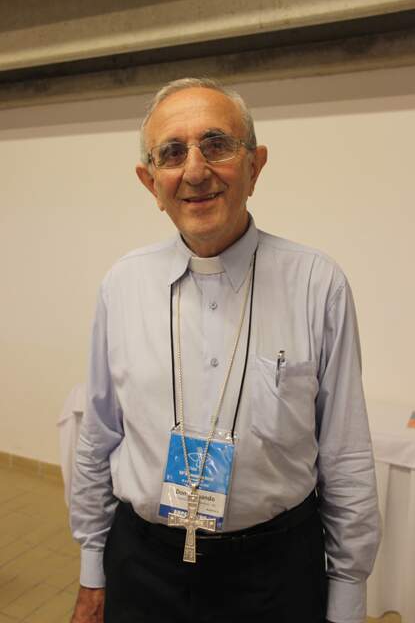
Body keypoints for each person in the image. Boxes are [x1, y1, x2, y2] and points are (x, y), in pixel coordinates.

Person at [70, 77, 381, 623]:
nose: (195, 171)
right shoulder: (123, 285)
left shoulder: (317, 284)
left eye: (216, 145)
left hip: (276, 573)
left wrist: (348, 593)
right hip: (143, 567)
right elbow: (98, 436)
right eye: (172, 153)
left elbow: (345, 453)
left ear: (255, 166)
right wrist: (92, 569)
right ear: (150, 182)